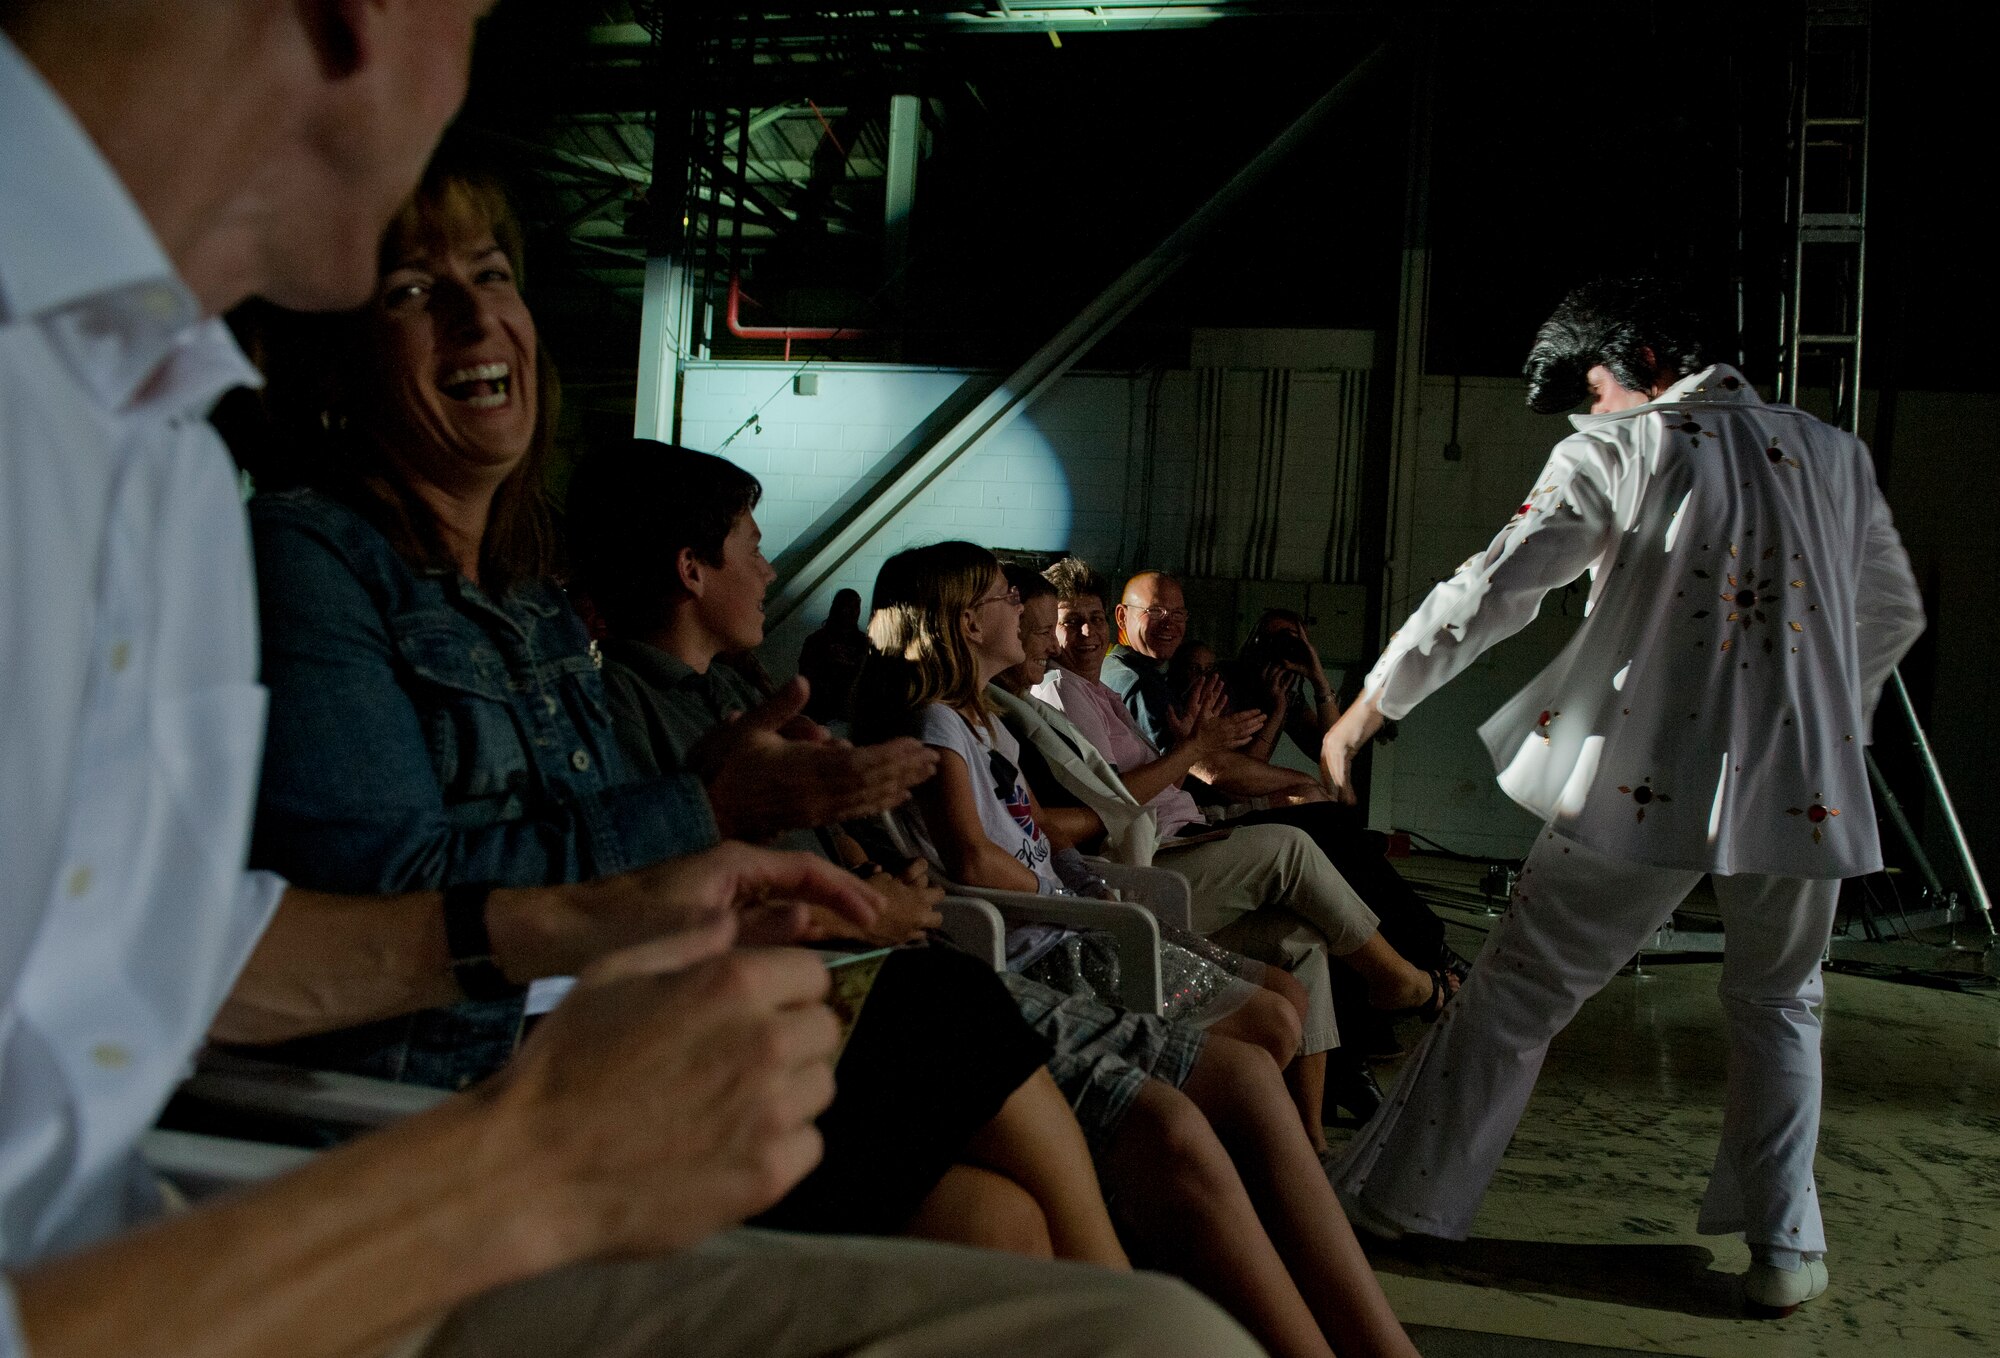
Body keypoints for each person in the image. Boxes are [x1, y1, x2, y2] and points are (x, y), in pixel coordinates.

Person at [0, 6, 1266, 1357]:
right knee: (1125, 1303)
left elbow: (188, 951)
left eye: (495, 273)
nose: (467, 60)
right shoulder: (285, 541)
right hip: (331, 1177)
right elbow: (377, 888)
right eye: (417, 287)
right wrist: (517, 1166)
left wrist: (616, 911)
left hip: (297, 1181)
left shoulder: (155, 438)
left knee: (1100, 1285)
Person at [1321, 275, 1926, 1317]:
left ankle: (1400, 1203)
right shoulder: (1831, 452)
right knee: (1781, 1001)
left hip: (1645, 773)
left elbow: (1493, 586)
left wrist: (1367, 706)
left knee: (1520, 987)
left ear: (1641, 365)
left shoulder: (1621, 446)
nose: (1581, 413)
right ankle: (1782, 1248)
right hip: (1804, 784)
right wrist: (1811, 719)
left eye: (1588, 389)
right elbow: (1887, 613)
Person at [564, 437, 1133, 1265]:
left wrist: (872, 878)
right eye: (752, 551)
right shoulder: (627, 706)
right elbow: (672, 884)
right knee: (957, 1001)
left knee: (1001, 1217)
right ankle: (1125, 1289)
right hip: (773, 992)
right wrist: (865, 903)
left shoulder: (732, 688)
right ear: (692, 571)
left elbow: (826, 834)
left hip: (835, 957)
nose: (767, 573)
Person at [855, 541, 1425, 1358]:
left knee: (1279, 1001)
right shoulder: (942, 719)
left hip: (1078, 910)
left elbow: (1043, 835)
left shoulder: (982, 715)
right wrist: (1076, 886)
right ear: (963, 621)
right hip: (1046, 942)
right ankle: (1261, 1230)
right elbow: (979, 858)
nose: (1028, 615)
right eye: (1008, 601)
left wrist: (1084, 875)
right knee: (1267, 1004)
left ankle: (1283, 1230)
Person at [1038, 558, 1454, 1116]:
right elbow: (1127, 796)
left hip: (1192, 829)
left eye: (1091, 619)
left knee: (1306, 935)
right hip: (1160, 855)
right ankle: (1410, 967)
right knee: (1302, 840)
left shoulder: (1106, 690)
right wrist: (1196, 751)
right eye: (1070, 623)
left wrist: (1297, 692)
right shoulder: (1084, 684)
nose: (1085, 634)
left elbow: (1333, 743)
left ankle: (1314, 1125)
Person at [798, 586, 870, 724]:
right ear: (838, 607)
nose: (853, 611)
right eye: (848, 606)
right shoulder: (817, 640)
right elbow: (806, 677)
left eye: (856, 606)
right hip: (819, 713)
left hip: (848, 714)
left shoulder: (863, 643)